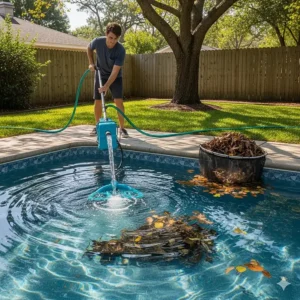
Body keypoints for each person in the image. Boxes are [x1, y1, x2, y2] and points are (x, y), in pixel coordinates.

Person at [87, 22, 129, 138]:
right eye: (110, 38)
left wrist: (106, 86)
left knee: (118, 101)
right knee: (98, 101)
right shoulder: (98, 41)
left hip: (115, 77)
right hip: (100, 73)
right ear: (106, 34)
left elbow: (115, 72)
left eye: (115, 39)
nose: (112, 41)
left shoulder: (120, 50)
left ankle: (122, 128)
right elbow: (89, 48)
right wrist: (91, 63)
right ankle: (97, 126)